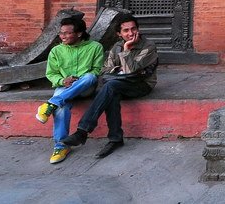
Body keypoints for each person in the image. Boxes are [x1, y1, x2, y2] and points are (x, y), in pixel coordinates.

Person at [59, 13, 158, 157]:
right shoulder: (116, 47)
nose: (131, 33)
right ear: (119, 33)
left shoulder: (148, 46)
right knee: (111, 90)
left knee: (110, 87)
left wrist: (126, 51)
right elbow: (104, 70)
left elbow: (132, 71)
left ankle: (83, 131)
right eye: (126, 30)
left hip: (142, 84)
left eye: (134, 29)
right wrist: (120, 69)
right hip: (119, 84)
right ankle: (115, 138)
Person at [36, 16, 104, 164]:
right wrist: (62, 81)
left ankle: (51, 103)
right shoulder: (56, 51)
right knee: (61, 108)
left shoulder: (95, 47)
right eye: (61, 33)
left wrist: (78, 80)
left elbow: (97, 70)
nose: (63, 36)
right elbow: (51, 74)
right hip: (64, 87)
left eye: (67, 33)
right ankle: (61, 146)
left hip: (85, 87)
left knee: (90, 77)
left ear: (79, 33)